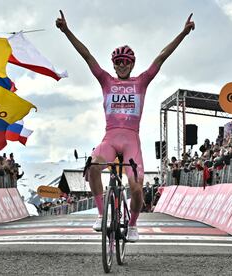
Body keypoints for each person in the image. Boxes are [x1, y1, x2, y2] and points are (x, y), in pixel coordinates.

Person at [56, 10, 195, 242]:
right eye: (118, 62)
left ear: (132, 64)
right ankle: (102, 215)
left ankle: (132, 225)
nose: (121, 66)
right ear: (113, 64)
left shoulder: (141, 81)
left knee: (137, 189)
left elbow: (161, 57)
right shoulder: (106, 80)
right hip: (109, 139)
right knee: (92, 167)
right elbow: (87, 55)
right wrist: (66, 31)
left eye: (125, 62)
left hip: (132, 141)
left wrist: (183, 33)